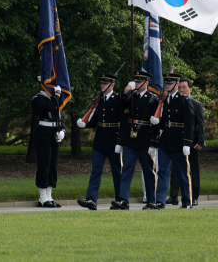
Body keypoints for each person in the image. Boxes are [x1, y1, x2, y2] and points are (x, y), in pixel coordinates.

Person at [110, 71, 159, 210]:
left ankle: (151, 200)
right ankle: (123, 200)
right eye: (135, 81)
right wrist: (125, 91)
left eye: (139, 82)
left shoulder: (153, 99)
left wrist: (153, 144)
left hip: (145, 140)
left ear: (146, 83)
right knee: (126, 170)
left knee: (148, 171)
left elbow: (155, 124)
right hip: (130, 140)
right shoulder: (130, 97)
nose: (136, 84)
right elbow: (118, 106)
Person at [76, 73, 123, 211]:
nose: (102, 85)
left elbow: (123, 121)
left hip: (114, 140)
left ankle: (120, 200)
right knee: (96, 170)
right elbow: (95, 119)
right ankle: (91, 199)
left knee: (117, 172)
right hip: (100, 140)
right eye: (101, 83)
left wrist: (120, 141)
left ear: (112, 85)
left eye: (105, 83)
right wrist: (85, 124)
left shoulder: (117, 99)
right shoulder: (100, 99)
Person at [154, 72, 195, 209]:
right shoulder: (164, 100)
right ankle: (160, 201)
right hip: (165, 142)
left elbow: (189, 123)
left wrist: (187, 143)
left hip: (179, 141)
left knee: (183, 173)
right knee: (162, 172)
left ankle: (187, 202)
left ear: (177, 85)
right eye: (166, 83)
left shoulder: (184, 100)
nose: (167, 85)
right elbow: (164, 122)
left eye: (170, 83)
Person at [166, 78, 205, 206]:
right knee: (175, 170)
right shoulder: (176, 102)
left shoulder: (196, 104)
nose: (182, 90)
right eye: (180, 87)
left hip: (192, 143)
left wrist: (200, 141)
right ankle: (173, 196)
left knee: (192, 170)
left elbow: (200, 124)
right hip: (178, 142)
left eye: (184, 87)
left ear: (191, 89)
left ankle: (193, 196)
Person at [32, 77, 66, 208]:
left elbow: (59, 116)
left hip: (54, 135)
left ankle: (49, 197)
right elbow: (49, 106)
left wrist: (62, 130)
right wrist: (57, 95)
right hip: (43, 134)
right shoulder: (37, 99)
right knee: (44, 165)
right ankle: (42, 198)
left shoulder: (55, 99)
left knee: (53, 166)